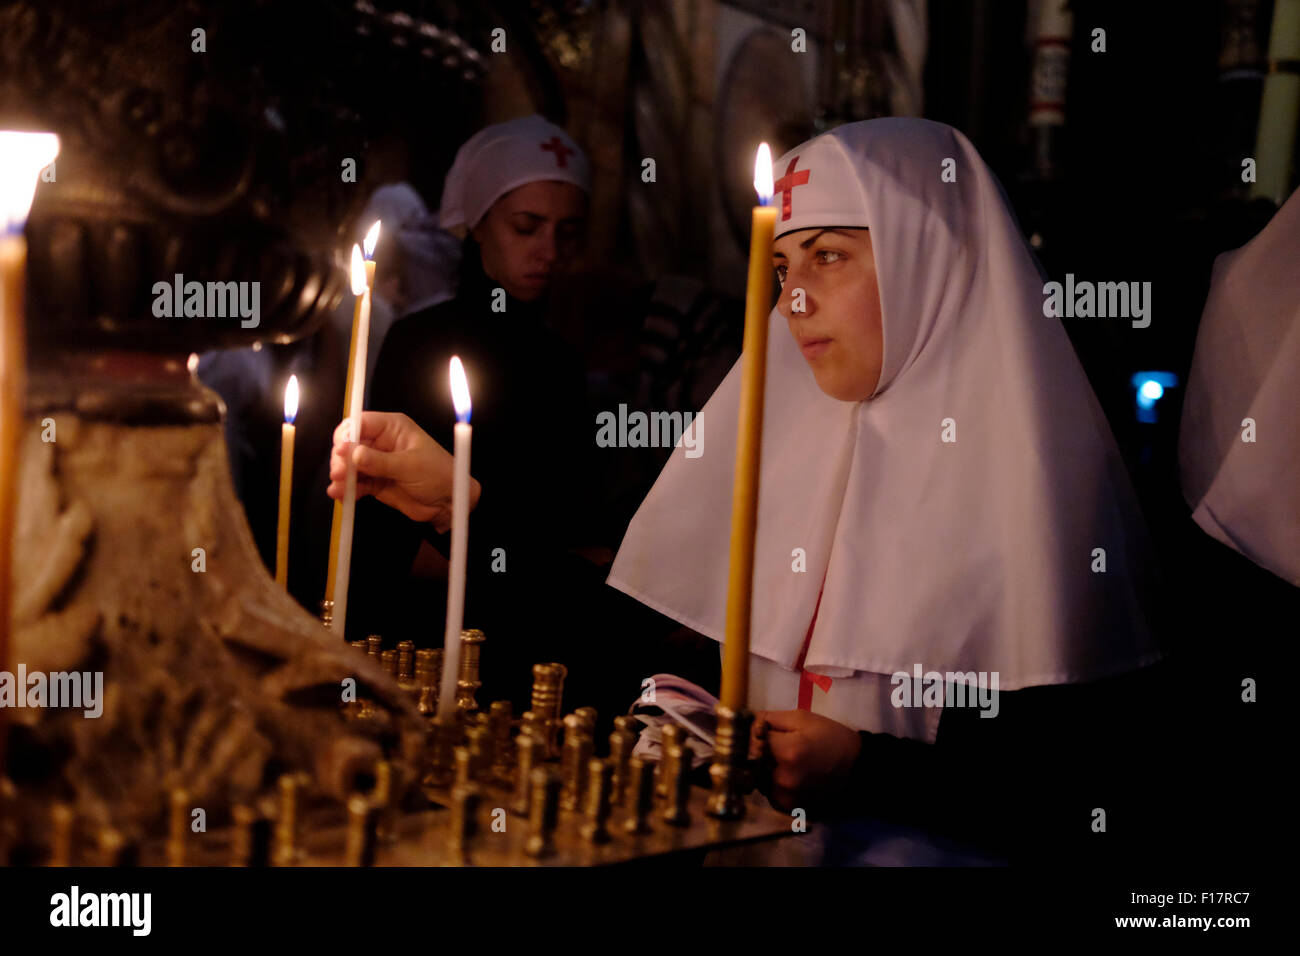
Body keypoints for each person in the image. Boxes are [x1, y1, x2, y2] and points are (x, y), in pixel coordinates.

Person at [605, 118, 1170, 863]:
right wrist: (462, 508)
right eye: (781, 269)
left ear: (928, 260)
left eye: (828, 257)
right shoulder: (770, 440)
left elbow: (1086, 792)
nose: (792, 303)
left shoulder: (1047, 493)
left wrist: (866, 768)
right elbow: (617, 643)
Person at [343, 115, 603, 710]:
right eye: (526, 227)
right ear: (477, 223)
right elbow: (389, 540)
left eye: (568, 231)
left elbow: (576, 521)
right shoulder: (420, 342)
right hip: (426, 640)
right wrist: (540, 562)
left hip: (537, 645)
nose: (549, 251)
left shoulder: (561, 360)